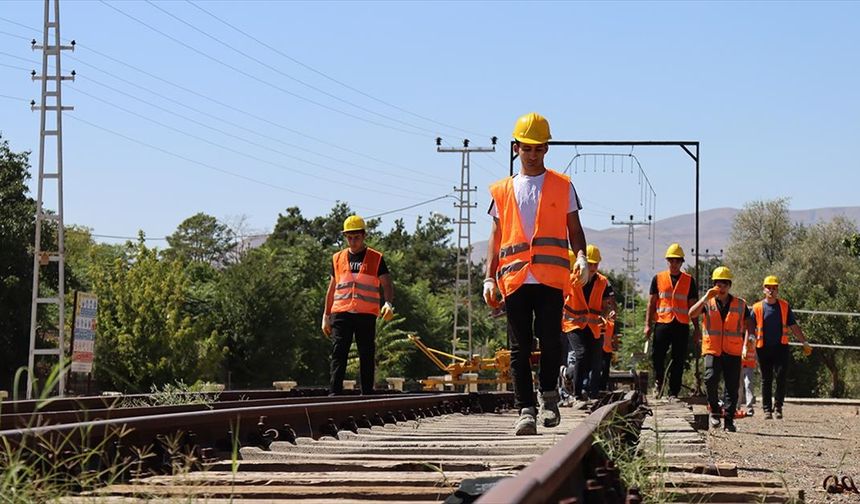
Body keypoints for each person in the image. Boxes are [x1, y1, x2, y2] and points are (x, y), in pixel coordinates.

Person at [483, 112, 587, 435]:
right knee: (520, 347)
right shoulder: (503, 190)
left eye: (538, 148)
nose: (532, 154)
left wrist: (581, 256)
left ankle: (549, 397)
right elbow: (496, 236)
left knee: (551, 340)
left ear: (546, 149)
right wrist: (489, 276)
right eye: (527, 148)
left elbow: (574, 228)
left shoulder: (562, 186)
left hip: (550, 278)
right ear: (516, 148)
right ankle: (525, 409)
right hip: (514, 280)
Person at [322, 215, 394, 396]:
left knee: (366, 354)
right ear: (345, 237)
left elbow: (387, 284)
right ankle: (335, 393)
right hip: (341, 313)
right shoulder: (337, 258)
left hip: (365, 314)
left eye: (356, 237)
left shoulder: (376, 258)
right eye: (349, 237)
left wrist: (388, 303)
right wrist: (326, 316)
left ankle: (367, 393)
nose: (353, 241)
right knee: (339, 352)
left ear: (363, 236)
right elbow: (331, 290)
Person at [688, 266, 752, 432]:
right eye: (718, 283)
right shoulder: (707, 303)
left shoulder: (740, 304)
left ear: (729, 285)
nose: (721, 286)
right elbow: (691, 314)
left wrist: (747, 343)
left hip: (733, 351)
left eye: (724, 283)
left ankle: (729, 420)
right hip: (712, 349)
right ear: (713, 284)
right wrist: (704, 297)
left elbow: (749, 326)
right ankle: (715, 410)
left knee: (731, 387)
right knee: (710, 379)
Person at [747, 275, 812, 420]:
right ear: (764, 289)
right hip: (763, 348)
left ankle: (778, 406)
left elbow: (793, 326)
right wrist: (749, 339)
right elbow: (750, 324)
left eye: (774, 288)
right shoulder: (757, 307)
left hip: (780, 347)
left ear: (777, 290)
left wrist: (804, 342)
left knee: (781, 376)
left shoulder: (784, 306)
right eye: (768, 288)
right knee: (766, 378)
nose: (771, 290)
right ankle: (766, 409)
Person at [560, 244, 616, 409]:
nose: (592, 268)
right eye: (589, 264)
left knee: (591, 361)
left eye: (595, 264)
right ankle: (577, 396)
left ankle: (567, 373)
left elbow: (608, 303)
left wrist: (608, 313)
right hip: (573, 323)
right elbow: (559, 297)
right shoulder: (572, 278)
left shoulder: (603, 282)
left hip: (592, 326)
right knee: (581, 354)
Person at [645, 243, 701, 399]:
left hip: (681, 325)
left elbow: (693, 307)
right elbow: (651, 303)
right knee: (657, 356)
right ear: (667, 261)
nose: (674, 264)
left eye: (677, 261)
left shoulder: (689, 281)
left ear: (682, 262)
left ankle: (673, 392)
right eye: (671, 260)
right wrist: (647, 325)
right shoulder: (658, 278)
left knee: (678, 359)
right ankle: (659, 381)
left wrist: (697, 329)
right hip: (662, 323)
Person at [738, 336, 757, 416]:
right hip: (739, 364)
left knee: (748, 385)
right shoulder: (738, 335)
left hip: (750, 365)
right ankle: (736, 406)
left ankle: (749, 407)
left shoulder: (753, 335)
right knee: (739, 386)